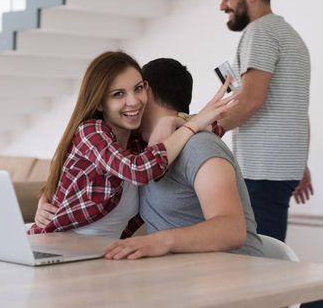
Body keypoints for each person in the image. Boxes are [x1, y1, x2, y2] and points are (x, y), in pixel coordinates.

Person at [27, 51, 234, 237]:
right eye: (119, 94)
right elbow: (138, 170)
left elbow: (213, 127)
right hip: (53, 248)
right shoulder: (91, 132)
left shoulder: (138, 144)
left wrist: (173, 120)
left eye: (138, 89)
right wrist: (191, 125)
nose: (134, 101)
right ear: (99, 102)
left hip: (97, 259)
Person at [104, 58, 263, 259]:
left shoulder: (200, 145)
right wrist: (51, 204)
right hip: (181, 276)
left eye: (136, 90)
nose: (130, 102)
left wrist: (161, 240)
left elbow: (231, 230)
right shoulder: (142, 156)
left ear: (147, 90)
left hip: (233, 276)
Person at [218, 0, 312, 242]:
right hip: (280, 169)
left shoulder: (260, 32)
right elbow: (296, 110)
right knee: (269, 252)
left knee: (261, 261)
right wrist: (299, 163)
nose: (222, 6)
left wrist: (201, 129)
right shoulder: (291, 37)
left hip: (262, 171)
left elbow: (250, 101)